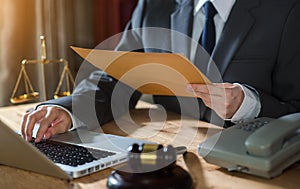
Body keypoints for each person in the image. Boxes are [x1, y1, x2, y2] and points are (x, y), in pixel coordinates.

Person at [22, 0, 300, 143]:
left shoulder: (287, 10)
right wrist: (68, 111)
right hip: (167, 157)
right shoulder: (154, 5)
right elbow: (114, 78)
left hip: (250, 167)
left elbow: (296, 108)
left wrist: (248, 105)